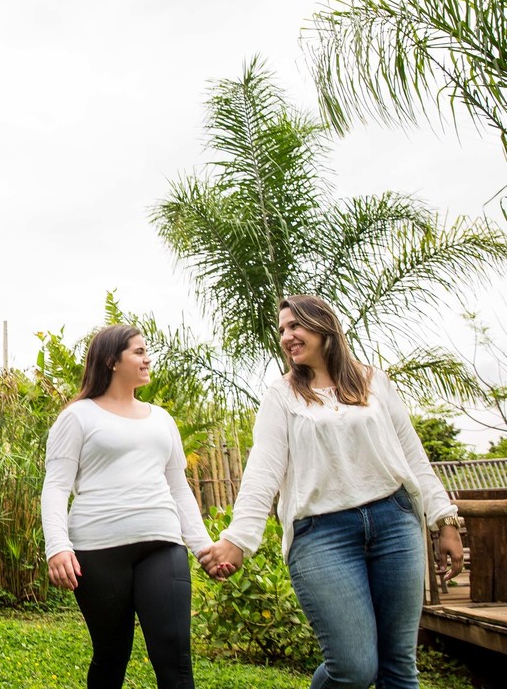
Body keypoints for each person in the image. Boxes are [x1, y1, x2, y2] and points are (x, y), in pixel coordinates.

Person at [197, 294, 464, 689]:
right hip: (322, 536)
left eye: (295, 325)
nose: (287, 336)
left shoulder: (374, 381)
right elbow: (263, 470)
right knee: (354, 668)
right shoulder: (282, 396)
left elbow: (411, 453)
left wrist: (444, 519)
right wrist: (239, 540)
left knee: (399, 666)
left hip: (395, 524)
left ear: (325, 327)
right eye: (282, 329)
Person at [41, 324, 215, 689]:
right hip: (97, 549)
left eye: (146, 351)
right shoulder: (78, 417)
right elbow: (56, 487)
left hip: (162, 543)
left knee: (174, 657)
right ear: (111, 361)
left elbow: (179, 488)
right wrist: (58, 547)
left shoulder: (162, 419)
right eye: (138, 351)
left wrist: (202, 546)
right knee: (111, 653)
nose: (147, 358)